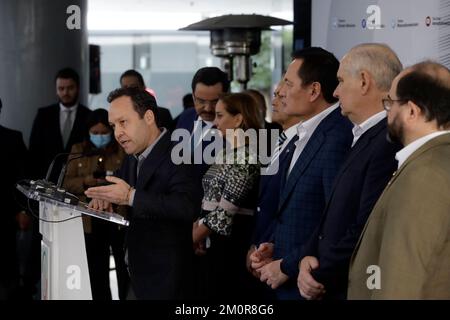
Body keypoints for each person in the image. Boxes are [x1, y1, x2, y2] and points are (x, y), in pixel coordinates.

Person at [297, 43, 403, 300]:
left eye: (341, 81)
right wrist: (307, 256)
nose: (335, 91)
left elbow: (365, 225)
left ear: (364, 81)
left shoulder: (387, 143)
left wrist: (318, 274)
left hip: (346, 287)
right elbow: (332, 211)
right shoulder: (362, 136)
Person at [250, 47, 353, 299]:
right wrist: (273, 246)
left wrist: (288, 264)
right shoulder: (306, 134)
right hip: (285, 276)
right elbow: (295, 210)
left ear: (314, 90)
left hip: (310, 283)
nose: (281, 92)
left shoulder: (336, 137)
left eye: (287, 83)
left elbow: (333, 222)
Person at [348, 61, 450, 299]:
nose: (387, 111)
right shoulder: (434, 161)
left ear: (412, 111)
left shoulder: (426, 175)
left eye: (390, 103)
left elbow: (403, 276)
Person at [85, 87, 199, 300]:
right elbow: (120, 188)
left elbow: (187, 206)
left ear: (148, 117)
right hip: (137, 272)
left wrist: (130, 197)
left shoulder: (179, 153)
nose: (117, 133)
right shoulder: (132, 154)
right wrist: (105, 197)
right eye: (113, 125)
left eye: (123, 122)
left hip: (166, 280)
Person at [192, 92, 262, 300]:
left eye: (220, 116)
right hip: (214, 242)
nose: (215, 122)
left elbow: (224, 212)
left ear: (238, 119)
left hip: (231, 248)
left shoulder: (247, 155)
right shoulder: (229, 152)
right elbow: (210, 199)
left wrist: (193, 237)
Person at [63, 108, 128, 300]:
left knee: (123, 267)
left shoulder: (122, 149)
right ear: (88, 131)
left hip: (117, 217)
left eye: (104, 133)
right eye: (95, 133)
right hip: (89, 219)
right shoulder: (78, 150)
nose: (100, 137)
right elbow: (66, 183)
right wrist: (87, 181)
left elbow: (128, 179)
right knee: (96, 269)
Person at [29, 67, 92, 182]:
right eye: (61, 88)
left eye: (70, 88)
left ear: (78, 88)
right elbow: (34, 151)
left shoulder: (88, 116)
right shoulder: (44, 115)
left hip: (78, 181)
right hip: (46, 179)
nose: (65, 93)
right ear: (56, 90)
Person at [0, 97, 28, 299]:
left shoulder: (12, 138)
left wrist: (23, 210)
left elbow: (22, 177)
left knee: (7, 273)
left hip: (5, 216)